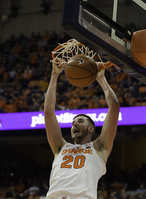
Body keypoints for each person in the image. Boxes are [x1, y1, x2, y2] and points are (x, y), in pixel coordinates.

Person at [44, 59, 120, 199]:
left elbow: (114, 107)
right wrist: (54, 75)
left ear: (91, 129)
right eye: (73, 123)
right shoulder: (60, 147)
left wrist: (101, 79)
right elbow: (48, 112)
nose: (74, 125)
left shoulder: (100, 147)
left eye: (80, 121)